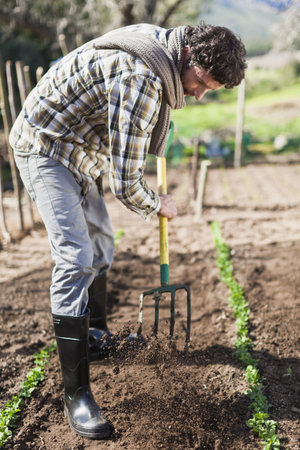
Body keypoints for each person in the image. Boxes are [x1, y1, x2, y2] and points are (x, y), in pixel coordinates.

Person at [9, 21, 247, 440]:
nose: (197, 94)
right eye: (201, 83)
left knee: (101, 247)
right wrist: (160, 205)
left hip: (80, 150)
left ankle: (95, 333)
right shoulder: (141, 78)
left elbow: (123, 131)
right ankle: (76, 395)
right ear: (189, 56)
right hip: (46, 147)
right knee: (76, 258)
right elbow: (126, 186)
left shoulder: (164, 46)